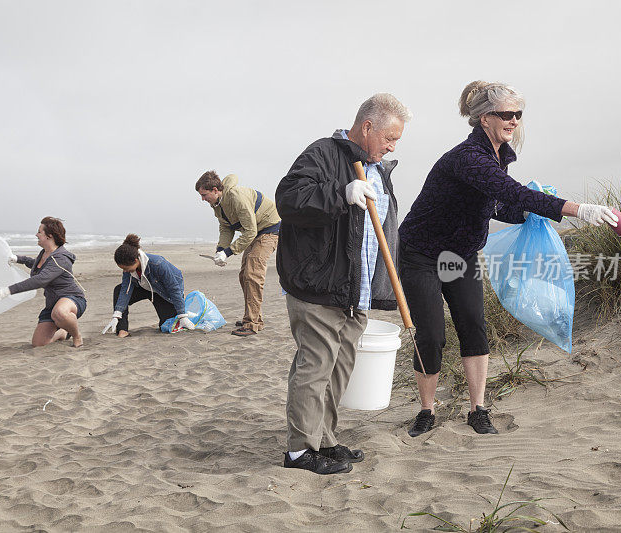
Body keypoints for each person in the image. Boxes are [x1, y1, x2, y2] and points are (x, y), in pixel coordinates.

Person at [398, 80, 619, 437]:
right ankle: (426, 410)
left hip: (460, 254)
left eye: (518, 114)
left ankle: (478, 409)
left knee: (472, 326)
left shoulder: (498, 156)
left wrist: (532, 213)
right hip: (422, 253)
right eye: (506, 114)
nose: (514, 120)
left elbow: (498, 203)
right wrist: (578, 209)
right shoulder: (469, 158)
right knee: (433, 335)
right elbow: (509, 191)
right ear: (484, 118)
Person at [275, 93, 411, 474]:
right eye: (390, 137)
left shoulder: (378, 169)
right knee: (315, 367)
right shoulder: (322, 153)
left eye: (397, 141)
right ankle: (300, 451)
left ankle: (324, 440)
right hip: (318, 286)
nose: (392, 146)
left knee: (340, 370)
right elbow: (289, 198)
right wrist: (340, 193)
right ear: (367, 126)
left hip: (355, 290)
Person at [196, 171, 280, 336]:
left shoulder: (236, 198)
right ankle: (254, 317)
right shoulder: (217, 205)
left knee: (252, 274)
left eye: (204, 195)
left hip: (269, 229)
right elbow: (226, 227)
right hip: (255, 233)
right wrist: (220, 250)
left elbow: (250, 231)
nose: (203, 199)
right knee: (244, 275)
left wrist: (228, 252)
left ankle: (252, 323)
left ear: (214, 190)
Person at [0, 217, 86, 348]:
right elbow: (36, 265)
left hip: (72, 299)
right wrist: (18, 259)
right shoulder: (45, 253)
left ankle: (77, 336)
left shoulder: (61, 258)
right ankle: (63, 332)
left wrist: (8, 291)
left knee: (59, 312)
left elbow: (40, 279)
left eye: (39, 232)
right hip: (52, 304)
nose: (36, 235)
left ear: (49, 236)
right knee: (39, 343)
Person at [101, 234, 194, 337]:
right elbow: (125, 290)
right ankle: (123, 330)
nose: (125, 271)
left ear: (136, 261)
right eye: (123, 269)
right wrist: (117, 315)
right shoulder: (128, 270)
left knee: (166, 327)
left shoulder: (158, 264)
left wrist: (182, 315)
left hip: (161, 292)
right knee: (118, 290)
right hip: (143, 288)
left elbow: (174, 289)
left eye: (126, 268)